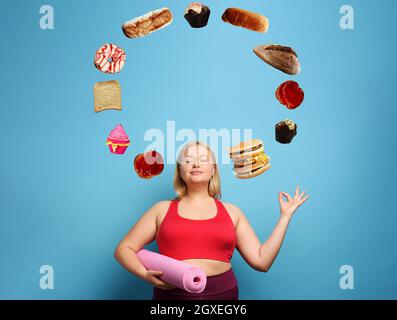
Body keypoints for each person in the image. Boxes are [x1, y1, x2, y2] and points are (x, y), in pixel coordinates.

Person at [114, 140, 309, 300]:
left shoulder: (233, 212)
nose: (196, 164)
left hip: (223, 294)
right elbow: (124, 249)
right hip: (171, 297)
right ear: (180, 171)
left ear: (213, 169)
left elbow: (262, 261)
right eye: (188, 160)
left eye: (203, 159)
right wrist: (144, 274)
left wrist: (285, 216)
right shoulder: (161, 209)